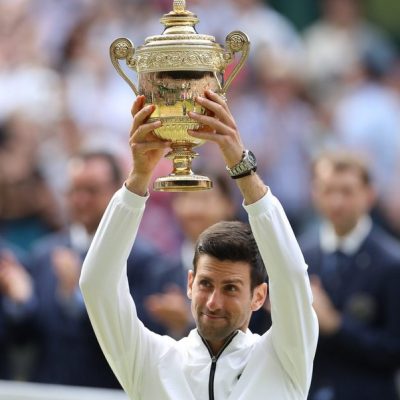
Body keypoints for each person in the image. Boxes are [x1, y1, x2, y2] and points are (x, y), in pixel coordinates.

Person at [80, 90, 318, 399]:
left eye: (230, 288)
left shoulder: (285, 358)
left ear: (259, 296)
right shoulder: (151, 360)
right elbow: (97, 283)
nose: (213, 302)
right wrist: (138, 177)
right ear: (190, 283)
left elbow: (291, 275)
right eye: (206, 284)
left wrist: (242, 169)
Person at [6, 151, 184, 388]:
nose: (81, 200)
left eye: (91, 191)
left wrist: (75, 297)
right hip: (49, 390)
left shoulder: (144, 261)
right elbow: (24, 339)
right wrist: (20, 300)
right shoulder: (44, 254)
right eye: (74, 191)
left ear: (118, 191)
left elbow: (134, 341)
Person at [299, 151, 400, 400]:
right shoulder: (300, 256)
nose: (336, 202)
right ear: (314, 194)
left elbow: (394, 348)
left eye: (346, 191)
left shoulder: (391, 263)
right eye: (328, 190)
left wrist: (337, 325)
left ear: (369, 195)